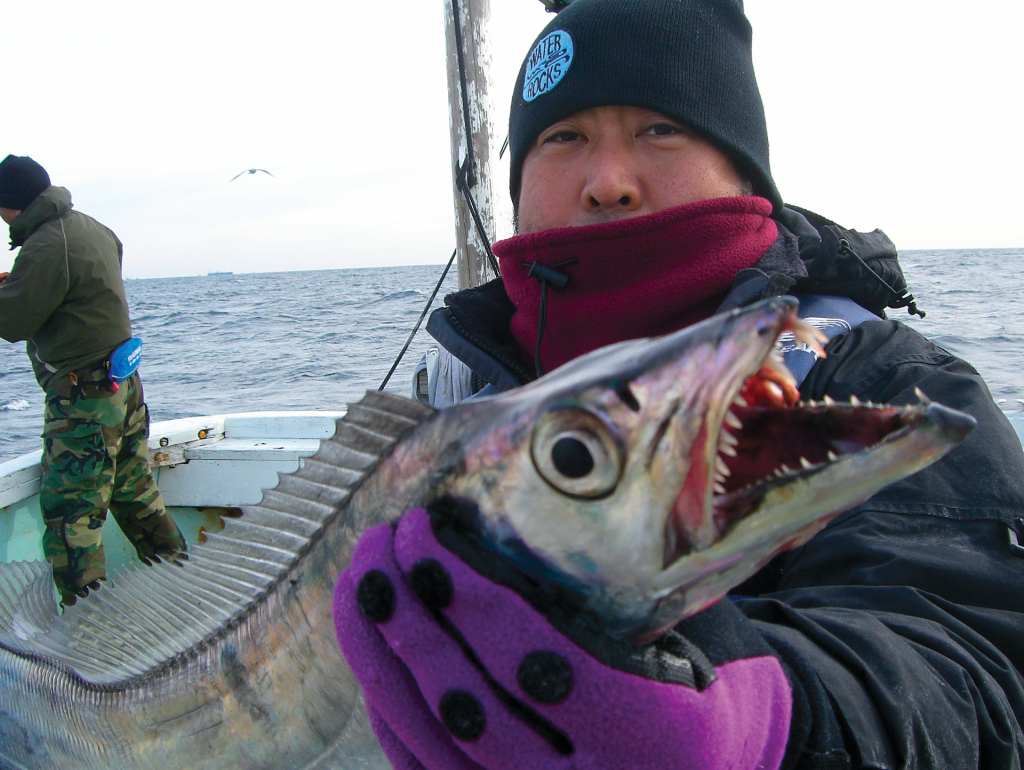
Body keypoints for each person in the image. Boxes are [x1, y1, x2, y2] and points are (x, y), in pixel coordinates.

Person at [334, 1, 1024, 768]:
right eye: (563, 137)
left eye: (661, 128)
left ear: (746, 170)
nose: (608, 183)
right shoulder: (450, 388)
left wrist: (779, 732)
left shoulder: (896, 381)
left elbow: (977, 671)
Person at [0, 155, 186, 606]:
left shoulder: (45, 244)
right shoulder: (92, 228)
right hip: (124, 385)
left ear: (13, 204)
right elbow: (77, 291)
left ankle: (90, 635)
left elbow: (13, 322)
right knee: (133, 490)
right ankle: (189, 590)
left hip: (84, 398)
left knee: (72, 517)